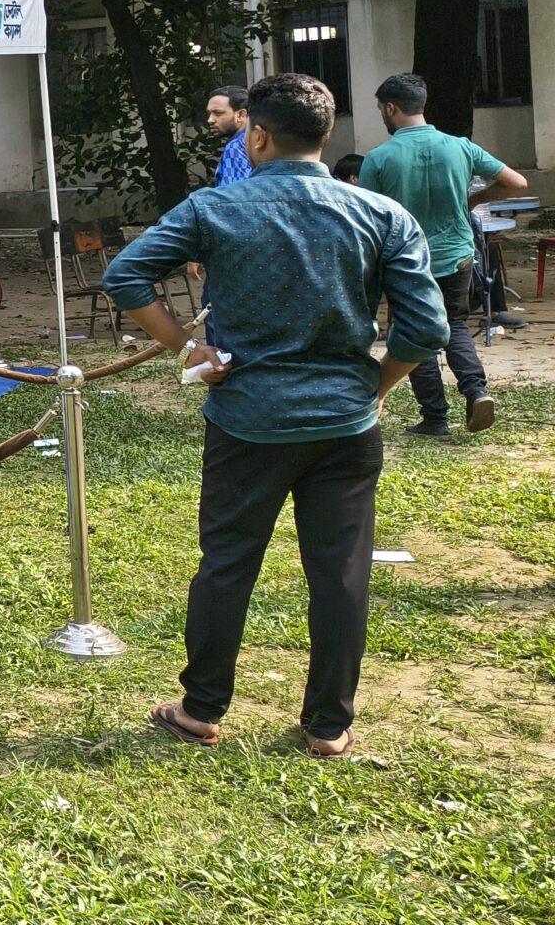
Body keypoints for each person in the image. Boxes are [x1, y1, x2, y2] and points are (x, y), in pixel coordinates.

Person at [103, 74, 446, 759]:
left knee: (227, 564)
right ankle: (328, 725)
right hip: (345, 426)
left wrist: (185, 345)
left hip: (246, 422)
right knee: (342, 574)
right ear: (326, 136)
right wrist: (377, 386)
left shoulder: (216, 208)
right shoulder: (382, 216)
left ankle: (200, 710)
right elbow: (425, 325)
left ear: (256, 134)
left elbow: (126, 277)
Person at [358, 72, 530, 437]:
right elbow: (516, 182)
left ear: (390, 108)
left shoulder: (378, 158)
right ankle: (476, 392)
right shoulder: (460, 146)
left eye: (381, 110)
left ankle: (435, 417)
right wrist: (475, 198)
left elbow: (369, 219)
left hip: (406, 261)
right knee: (454, 326)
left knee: (412, 334)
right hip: (457, 253)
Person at [207, 85, 252, 187]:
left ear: (240, 115)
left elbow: (233, 198)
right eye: (209, 113)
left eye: (217, 113)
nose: (210, 120)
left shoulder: (235, 147)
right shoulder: (257, 141)